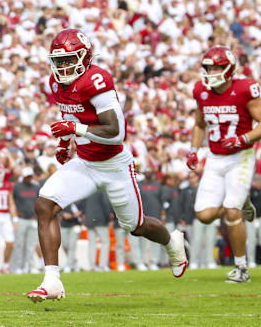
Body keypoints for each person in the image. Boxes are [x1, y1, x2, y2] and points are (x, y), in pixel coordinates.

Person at [28, 29, 187, 302]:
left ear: (85, 57)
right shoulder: (57, 84)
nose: (63, 66)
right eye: (60, 60)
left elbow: (116, 132)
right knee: (44, 204)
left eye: (69, 60)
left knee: (136, 226)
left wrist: (75, 129)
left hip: (114, 165)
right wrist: (64, 144)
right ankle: (51, 281)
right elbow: (69, 113)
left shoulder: (96, 79)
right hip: (86, 163)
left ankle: (172, 243)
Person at [186, 45, 260, 283]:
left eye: (217, 67)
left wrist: (242, 138)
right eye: (208, 67)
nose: (211, 72)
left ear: (228, 69)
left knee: (231, 210)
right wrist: (194, 150)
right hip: (215, 158)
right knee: (204, 215)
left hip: (241, 156)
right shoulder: (201, 90)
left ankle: (241, 268)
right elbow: (199, 124)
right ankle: (241, 202)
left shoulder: (245, 88)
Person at [11, 168, 40, 274]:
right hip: (21, 219)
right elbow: (12, 201)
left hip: (32, 219)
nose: (29, 178)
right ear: (23, 177)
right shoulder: (17, 187)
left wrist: (37, 215)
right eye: (27, 176)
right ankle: (18, 266)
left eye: (30, 176)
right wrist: (14, 215)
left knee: (31, 245)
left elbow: (38, 202)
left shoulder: (36, 187)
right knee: (19, 244)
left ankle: (31, 266)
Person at [83, 192, 112, 271]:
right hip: (100, 220)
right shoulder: (102, 191)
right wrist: (109, 219)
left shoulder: (87, 191)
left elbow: (83, 205)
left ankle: (92, 266)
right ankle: (102, 265)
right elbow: (106, 205)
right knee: (105, 242)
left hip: (89, 219)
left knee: (92, 243)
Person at [59, 202, 83, 273]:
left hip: (75, 225)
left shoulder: (80, 199)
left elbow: (84, 208)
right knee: (65, 245)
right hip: (64, 225)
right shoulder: (64, 198)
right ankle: (74, 263)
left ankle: (68, 266)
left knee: (72, 246)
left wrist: (80, 212)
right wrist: (62, 214)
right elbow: (57, 209)